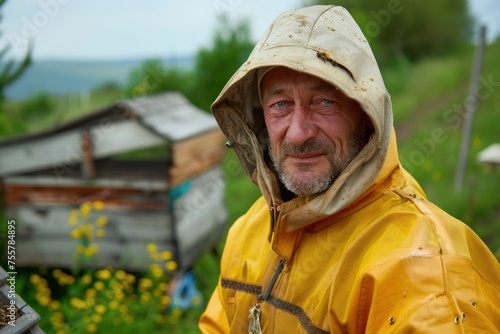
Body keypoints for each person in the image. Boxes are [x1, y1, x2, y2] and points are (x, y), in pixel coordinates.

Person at [199, 5, 500, 333]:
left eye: (324, 102)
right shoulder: (250, 230)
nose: (299, 132)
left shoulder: (425, 275)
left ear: (365, 114)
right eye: (280, 104)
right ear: (259, 118)